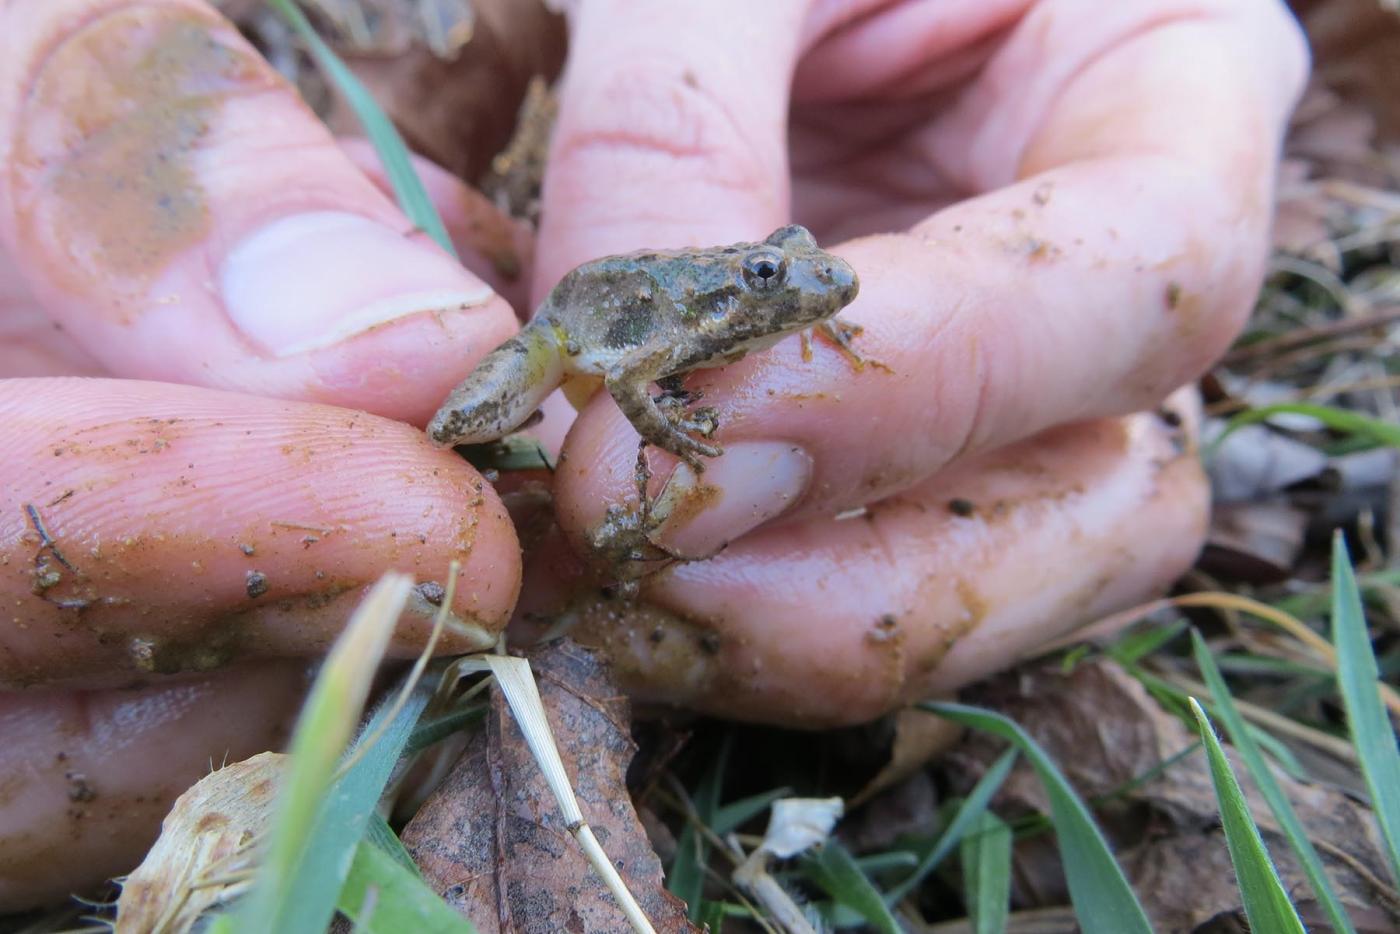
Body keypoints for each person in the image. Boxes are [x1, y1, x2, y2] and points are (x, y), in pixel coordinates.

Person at [0, 0, 1307, 911]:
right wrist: (665, 412)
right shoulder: (685, 306)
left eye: (788, 275)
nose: (799, 293)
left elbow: (755, 328)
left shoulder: (756, 306)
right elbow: (625, 368)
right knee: (468, 417)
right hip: (575, 325)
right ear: (731, 284)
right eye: (767, 278)